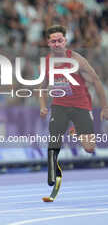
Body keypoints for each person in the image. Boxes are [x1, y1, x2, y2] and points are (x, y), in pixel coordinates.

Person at [39, 25, 108, 201]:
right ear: (48, 43)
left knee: (90, 148)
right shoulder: (46, 62)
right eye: (53, 41)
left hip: (80, 105)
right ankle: (52, 174)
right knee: (54, 138)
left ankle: (75, 131)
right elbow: (42, 87)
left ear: (65, 41)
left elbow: (96, 81)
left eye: (59, 40)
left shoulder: (77, 59)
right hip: (59, 105)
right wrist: (42, 105)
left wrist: (105, 107)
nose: (57, 44)